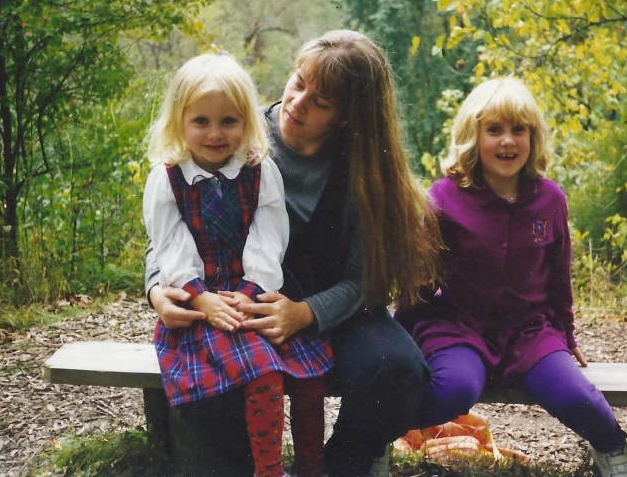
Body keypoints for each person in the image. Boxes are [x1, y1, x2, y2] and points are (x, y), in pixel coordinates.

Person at [146, 31, 441, 477]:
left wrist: (305, 313)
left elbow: (365, 276)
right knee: (218, 386)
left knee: (397, 372)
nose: (297, 102)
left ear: (348, 117)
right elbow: (170, 220)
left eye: (321, 102)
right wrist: (157, 290)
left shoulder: (364, 169)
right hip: (237, 303)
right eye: (298, 81)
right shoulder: (232, 129)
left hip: (333, 310)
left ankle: (335, 468)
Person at [395, 77, 627, 477]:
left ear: (532, 137)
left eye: (517, 130)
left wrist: (567, 333)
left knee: (578, 397)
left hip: (529, 329)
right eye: (494, 130)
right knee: (452, 389)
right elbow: (420, 280)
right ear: (473, 137)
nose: (507, 141)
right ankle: (372, 440)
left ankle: (612, 450)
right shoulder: (444, 197)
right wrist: (399, 334)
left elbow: (559, 276)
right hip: (459, 325)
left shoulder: (550, 199)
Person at [143, 53, 332, 477]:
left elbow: (269, 236)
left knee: (308, 374)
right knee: (264, 373)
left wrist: (251, 291)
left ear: (246, 121)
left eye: (229, 121)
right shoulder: (168, 177)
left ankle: (311, 466)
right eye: (201, 122)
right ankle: (269, 471)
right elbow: (168, 245)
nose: (215, 134)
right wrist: (200, 296)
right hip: (200, 305)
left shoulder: (259, 170)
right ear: (180, 122)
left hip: (251, 292)